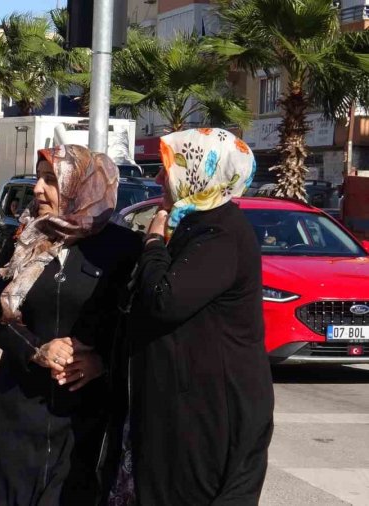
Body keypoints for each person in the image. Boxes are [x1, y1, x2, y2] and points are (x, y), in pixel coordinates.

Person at [0, 145, 141, 505]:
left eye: (51, 180)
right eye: (39, 178)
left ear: (81, 186)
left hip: (84, 422)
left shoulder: (123, 249)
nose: (37, 189)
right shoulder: (25, 239)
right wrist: (36, 349)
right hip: (16, 410)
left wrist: (102, 362)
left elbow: (137, 326)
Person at [110, 128, 273, 505]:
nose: (157, 178)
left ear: (200, 172)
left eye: (167, 168)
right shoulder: (199, 227)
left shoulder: (220, 234)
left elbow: (164, 299)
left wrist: (153, 239)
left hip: (210, 414)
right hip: (187, 408)